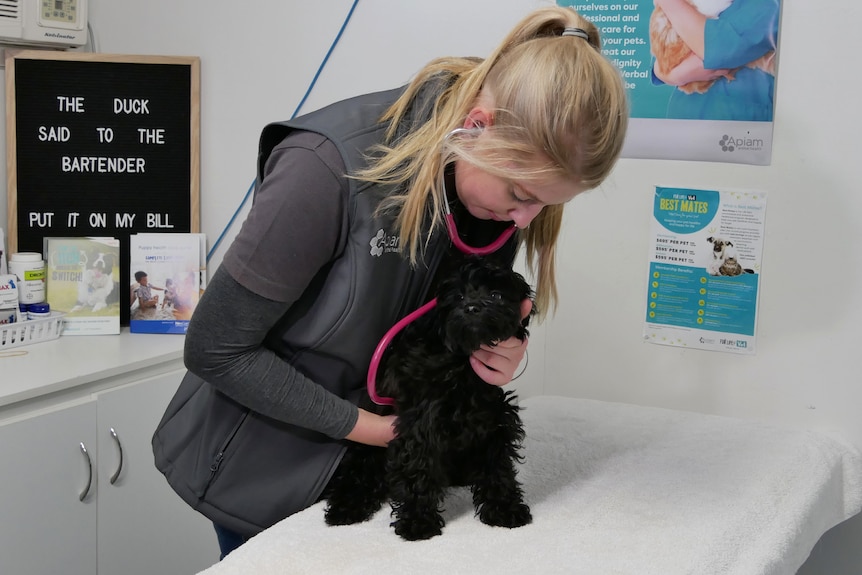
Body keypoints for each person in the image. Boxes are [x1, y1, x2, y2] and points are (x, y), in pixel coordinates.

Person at [152, 5, 629, 559]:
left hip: (399, 469)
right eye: (521, 197)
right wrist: (376, 431)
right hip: (271, 468)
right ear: (476, 127)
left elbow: (459, 310)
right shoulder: (324, 169)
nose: (525, 220)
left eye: (546, 205)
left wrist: (501, 348)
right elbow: (216, 350)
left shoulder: (499, 183)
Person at [650, 0, 779, 121]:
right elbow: (662, 57)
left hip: (736, 123)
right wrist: (673, 75)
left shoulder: (770, 5)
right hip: (685, 113)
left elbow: (717, 49)